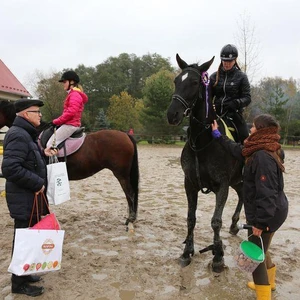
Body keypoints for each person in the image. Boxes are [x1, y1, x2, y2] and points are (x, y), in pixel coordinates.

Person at [211, 114, 288, 300]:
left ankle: (263, 295)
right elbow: (237, 150)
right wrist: (217, 135)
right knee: (262, 248)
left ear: (260, 130)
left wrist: (260, 224)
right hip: (272, 211)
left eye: (253, 127)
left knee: (254, 259)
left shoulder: (262, 157)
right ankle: (271, 283)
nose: (250, 129)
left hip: (268, 214)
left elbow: (266, 193)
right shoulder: (258, 149)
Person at [1, 99, 57, 297]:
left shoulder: (26, 134)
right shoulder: (18, 135)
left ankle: (25, 274)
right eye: (36, 112)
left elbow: (27, 159)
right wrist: (37, 183)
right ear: (25, 114)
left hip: (29, 198)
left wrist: (43, 153)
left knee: (29, 237)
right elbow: (9, 168)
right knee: (23, 240)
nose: (40, 115)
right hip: (23, 197)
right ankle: (18, 283)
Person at [210, 44, 251, 144]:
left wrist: (236, 103)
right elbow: (208, 96)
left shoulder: (242, 77)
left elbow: (247, 98)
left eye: (229, 61)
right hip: (216, 113)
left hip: (234, 114)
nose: (226, 64)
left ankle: (246, 157)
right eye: (224, 61)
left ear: (235, 60)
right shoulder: (214, 76)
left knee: (245, 138)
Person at [45, 70, 88, 150]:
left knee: (50, 144)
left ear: (71, 82)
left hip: (70, 125)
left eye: (64, 82)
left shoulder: (74, 95)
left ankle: (54, 162)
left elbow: (71, 112)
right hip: (70, 124)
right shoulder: (73, 94)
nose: (63, 84)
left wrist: (56, 121)